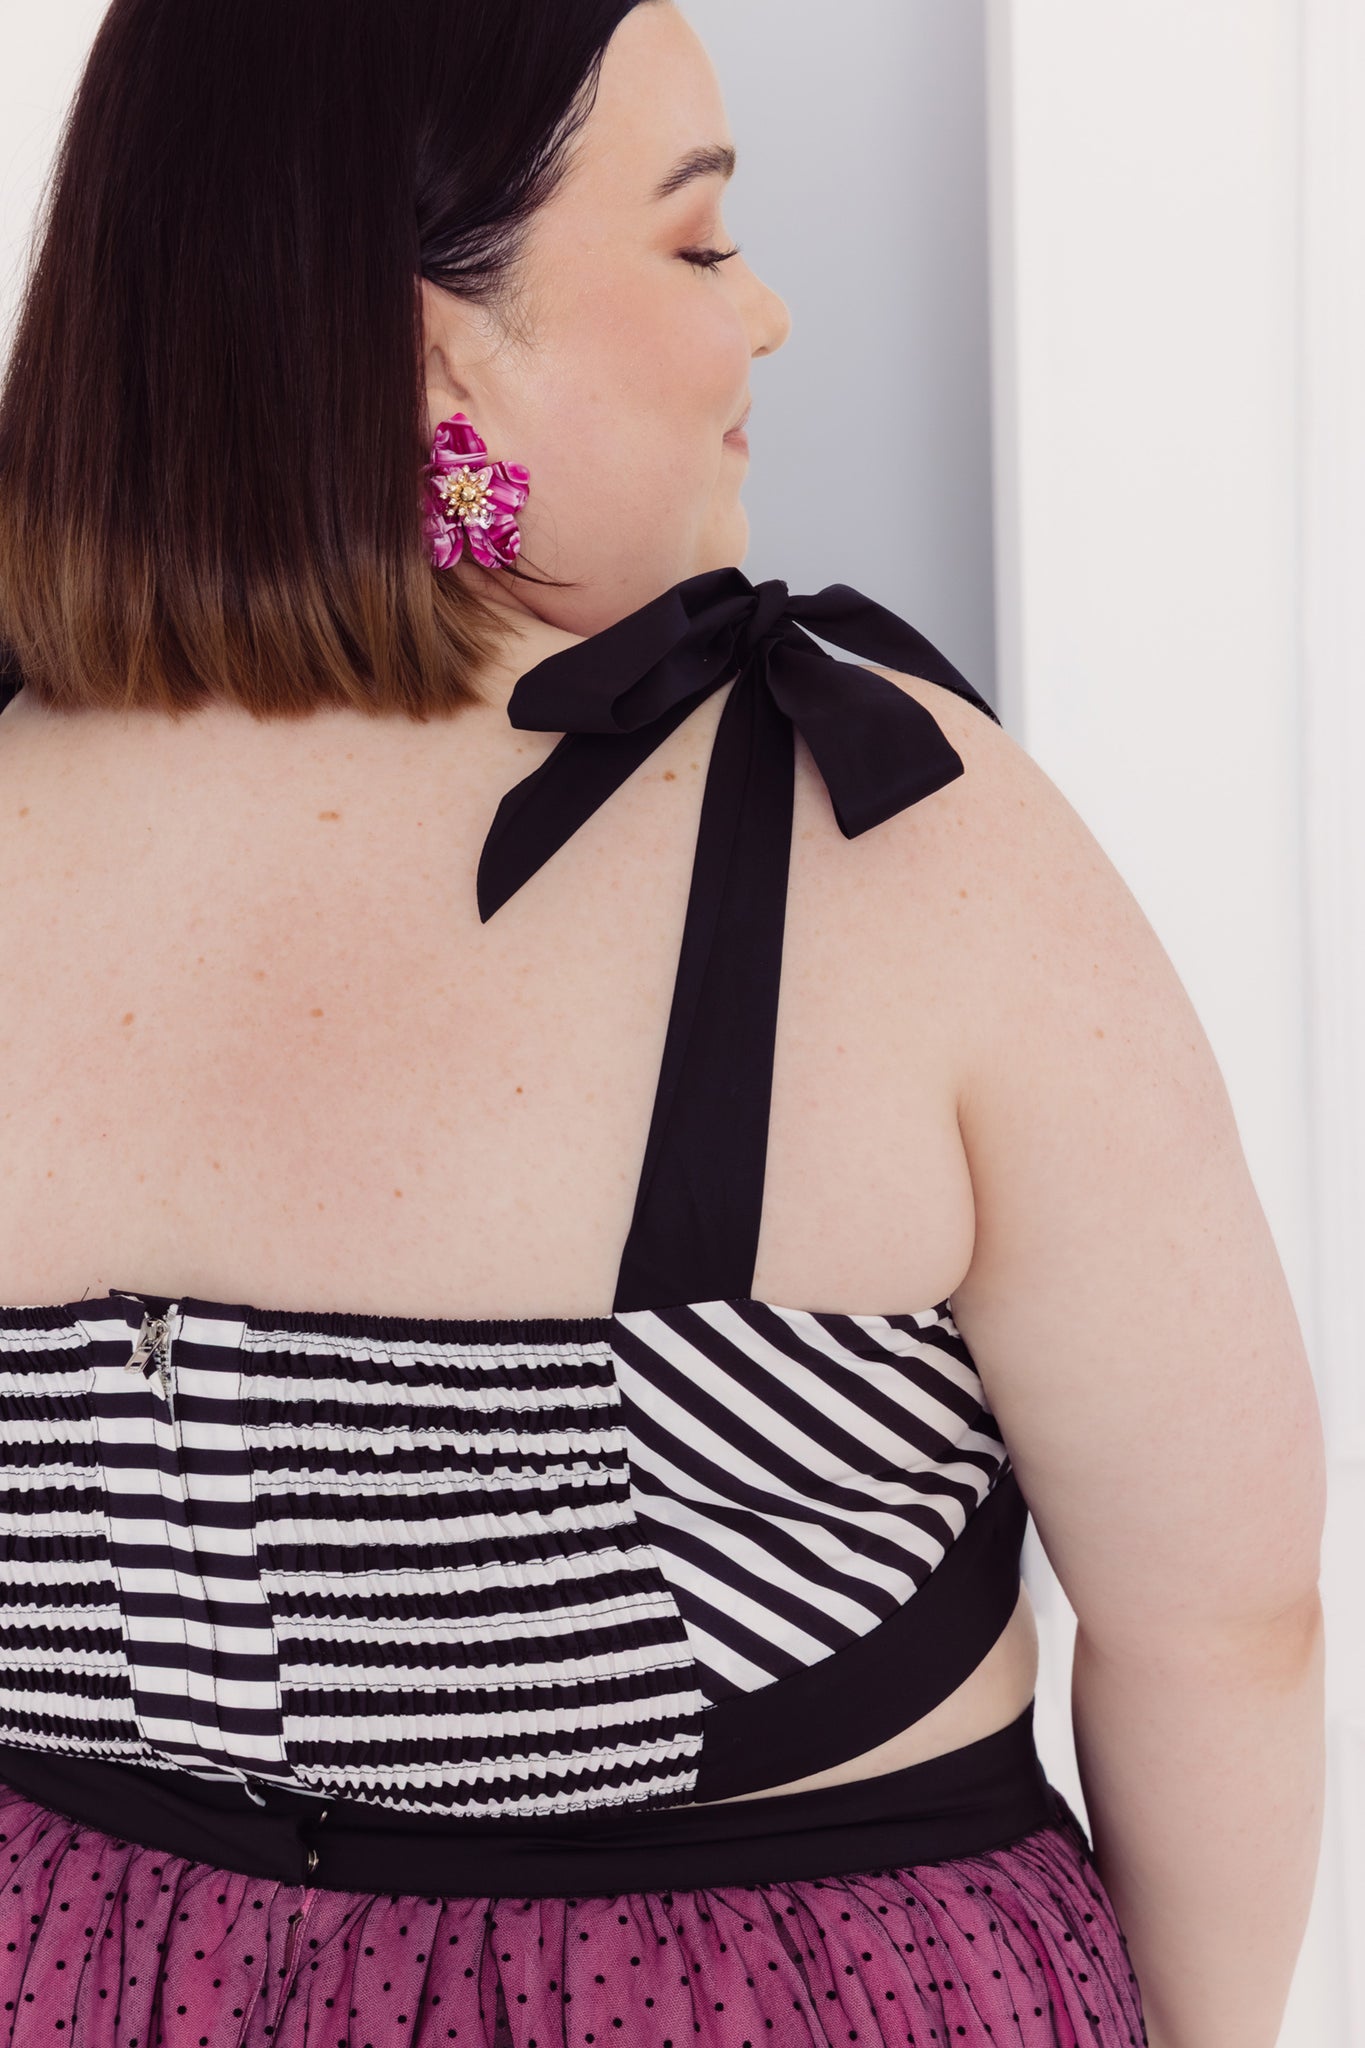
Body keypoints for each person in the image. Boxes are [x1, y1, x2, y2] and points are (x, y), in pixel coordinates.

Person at [0, 3, 1325, 2045]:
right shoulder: (892, 835)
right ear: (439, 357)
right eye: (699, 247)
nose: (765, 317)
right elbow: (1215, 1619)